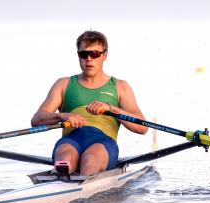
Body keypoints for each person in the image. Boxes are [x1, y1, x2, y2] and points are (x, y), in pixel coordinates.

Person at [31, 30, 147, 176]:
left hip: (103, 142)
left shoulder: (120, 87)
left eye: (95, 54)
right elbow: (36, 120)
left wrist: (111, 109)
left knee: (90, 159)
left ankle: (82, 185)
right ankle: (60, 177)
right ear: (78, 55)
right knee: (66, 156)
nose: (89, 59)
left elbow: (142, 128)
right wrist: (63, 116)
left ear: (105, 55)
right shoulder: (63, 84)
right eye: (84, 54)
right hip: (71, 140)